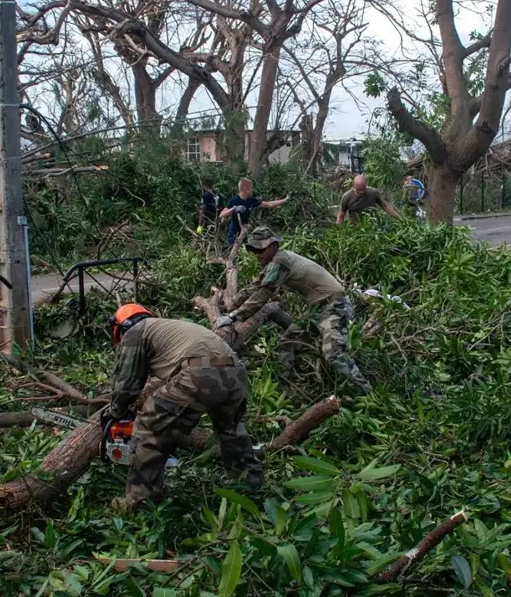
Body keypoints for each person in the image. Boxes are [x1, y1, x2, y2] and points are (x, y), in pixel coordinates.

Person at [104, 304, 263, 513]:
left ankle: (140, 501)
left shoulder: (135, 332)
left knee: (148, 427)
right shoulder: (169, 327)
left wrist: (115, 412)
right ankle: (251, 486)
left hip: (199, 374)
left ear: (121, 327)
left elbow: (126, 383)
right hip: (235, 371)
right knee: (230, 429)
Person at [215, 226, 371, 395]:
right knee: (287, 343)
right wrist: (231, 303)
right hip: (318, 308)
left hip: (335, 305)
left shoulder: (281, 261)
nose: (257, 254)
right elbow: (256, 286)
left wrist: (232, 317)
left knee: (333, 354)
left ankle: (366, 392)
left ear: (274, 245)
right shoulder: (275, 261)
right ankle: (285, 391)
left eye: (260, 249)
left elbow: (262, 295)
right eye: (254, 250)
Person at [219, 178, 289, 245]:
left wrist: (285, 200)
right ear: (245, 188)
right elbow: (222, 214)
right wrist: (234, 208)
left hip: (244, 232)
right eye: (251, 188)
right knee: (233, 253)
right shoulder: (234, 200)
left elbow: (268, 204)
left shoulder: (251, 200)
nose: (252, 190)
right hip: (234, 234)